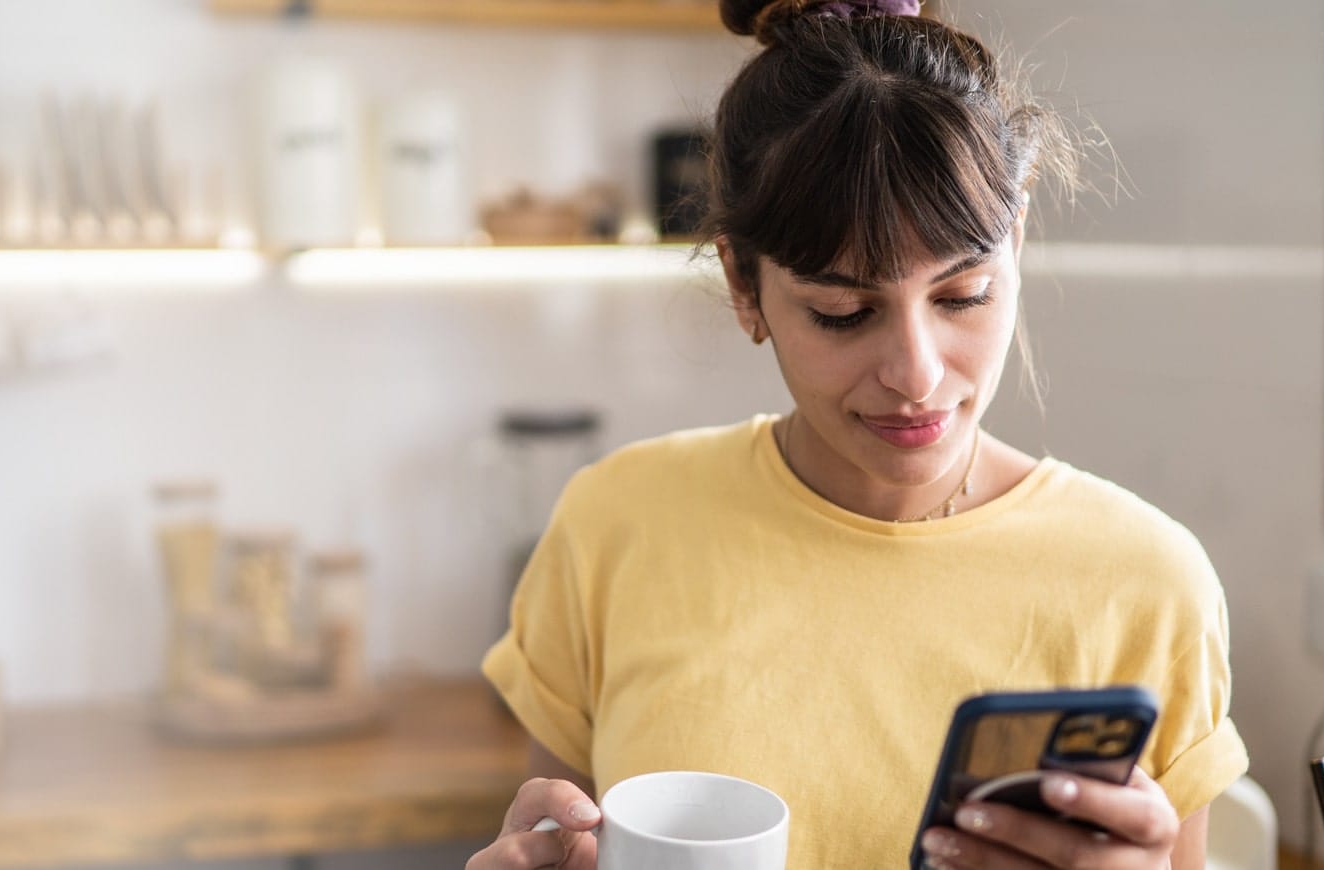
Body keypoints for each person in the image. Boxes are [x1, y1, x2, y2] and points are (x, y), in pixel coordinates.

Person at [467, 0, 1249, 866]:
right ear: (742, 281)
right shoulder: (615, 525)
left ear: (1016, 239)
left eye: (962, 296)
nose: (916, 374)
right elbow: (560, 836)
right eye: (843, 312)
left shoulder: (1147, 583)